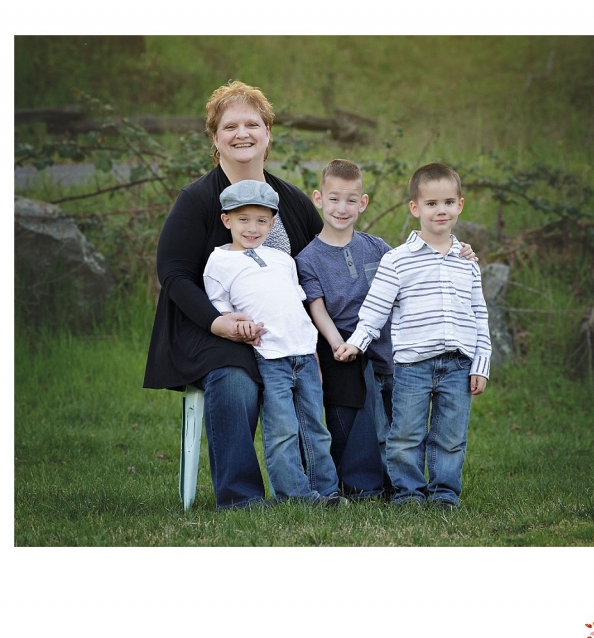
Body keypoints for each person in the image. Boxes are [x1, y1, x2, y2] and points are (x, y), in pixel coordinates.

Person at [143, 80, 323, 509]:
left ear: (267, 134)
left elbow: (326, 258)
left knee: (344, 361)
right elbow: (174, 274)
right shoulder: (197, 200)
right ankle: (241, 497)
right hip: (211, 330)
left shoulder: (292, 202)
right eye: (230, 126)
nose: (242, 133)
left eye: (252, 124)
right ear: (215, 137)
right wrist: (218, 322)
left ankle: (339, 483)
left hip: (286, 327)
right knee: (234, 374)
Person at [335, 163, 492, 509]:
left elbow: (479, 314)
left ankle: (444, 494)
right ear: (415, 208)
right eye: (432, 203)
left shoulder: (467, 262)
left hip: (459, 363)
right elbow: (375, 308)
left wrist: (481, 363)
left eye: (448, 202)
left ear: (460, 205)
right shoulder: (397, 261)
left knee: (451, 436)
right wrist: (357, 342)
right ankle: (407, 493)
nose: (441, 210)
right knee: (405, 435)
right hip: (412, 364)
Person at [203, 180, 344, 505]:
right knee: (282, 430)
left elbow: (297, 309)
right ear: (227, 220)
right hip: (270, 357)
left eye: (261, 220)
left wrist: (315, 356)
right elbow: (222, 311)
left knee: (315, 428)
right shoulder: (219, 262)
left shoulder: (282, 259)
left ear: (273, 221)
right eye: (243, 219)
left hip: (304, 356)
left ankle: (327, 491)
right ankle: (294, 495)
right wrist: (241, 327)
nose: (253, 228)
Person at [295, 159, 394, 500]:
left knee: (394, 418)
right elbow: (316, 307)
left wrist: (459, 252)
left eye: (351, 200)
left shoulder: (377, 248)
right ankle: (359, 483)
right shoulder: (308, 259)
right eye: (334, 199)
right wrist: (339, 343)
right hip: (340, 347)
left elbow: (408, 276)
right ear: (319, 198)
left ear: (362, 203)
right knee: (353, 392)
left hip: (385, 346)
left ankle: (396, 478)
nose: (342, 208)